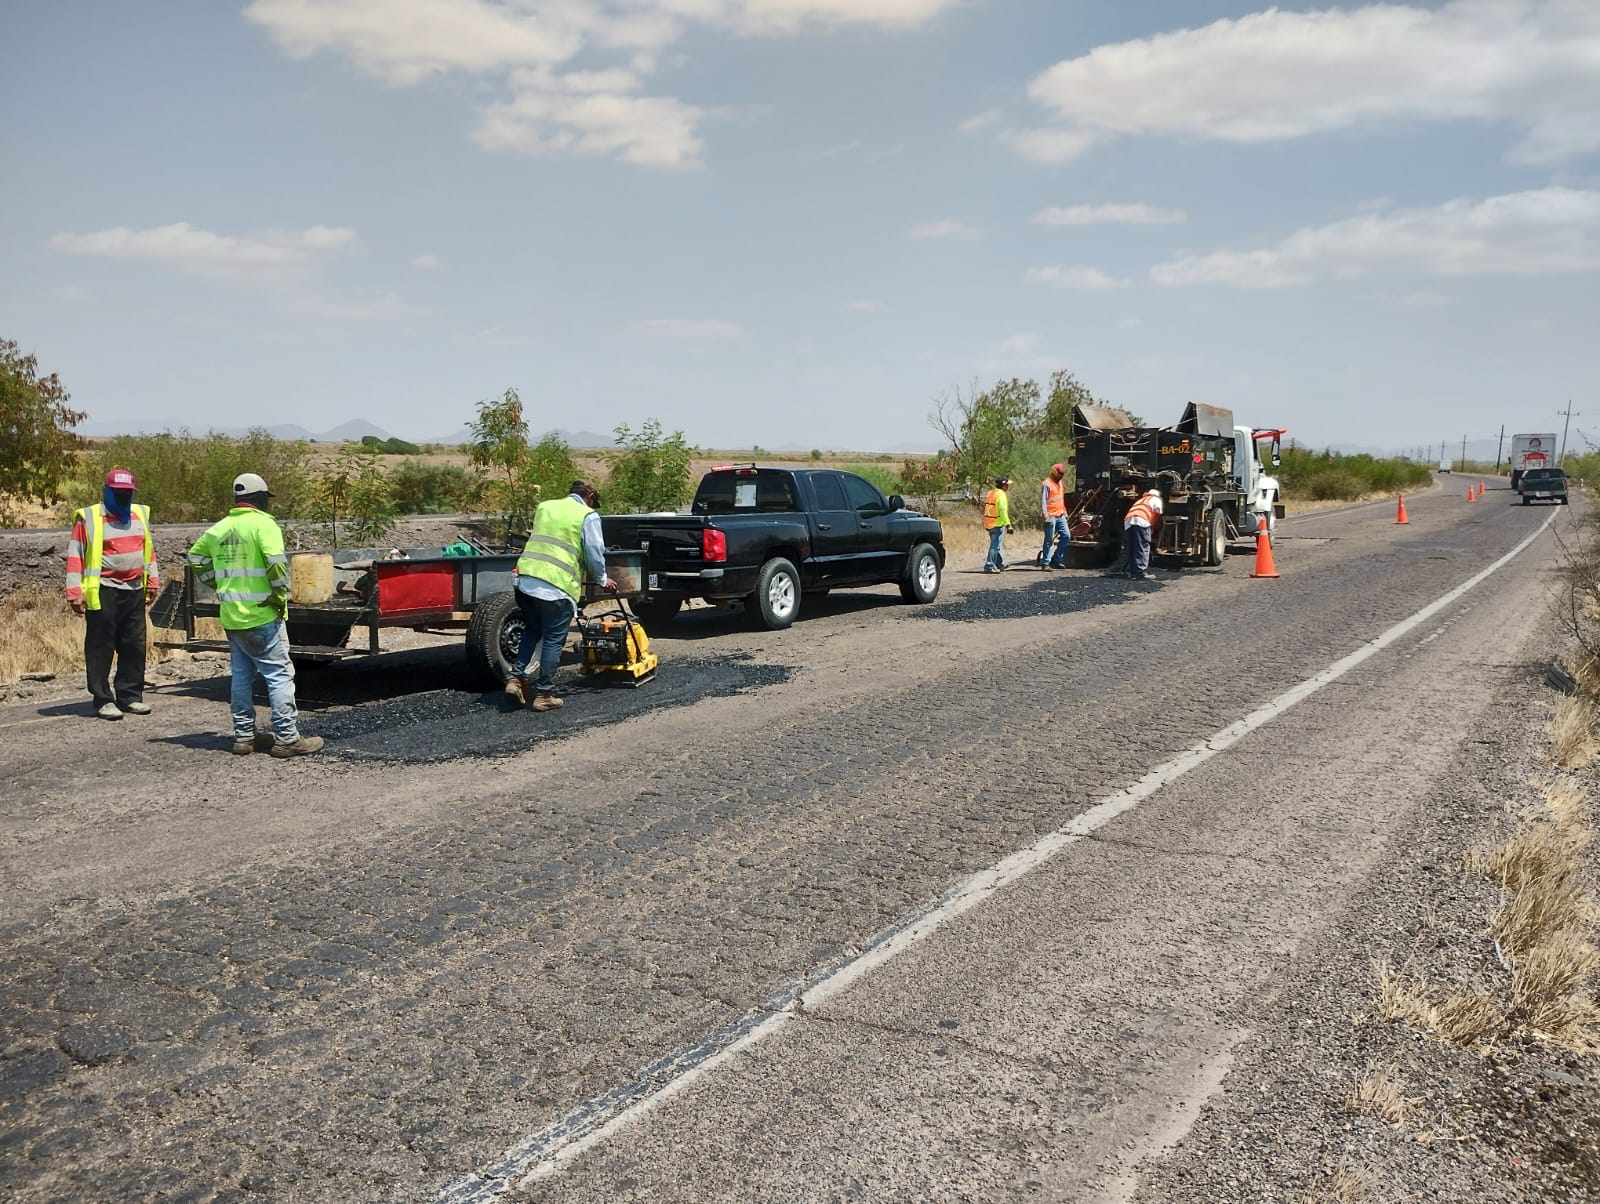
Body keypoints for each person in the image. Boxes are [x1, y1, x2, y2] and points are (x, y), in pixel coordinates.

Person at [187, 473, 322, 757]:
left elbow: (195, 558)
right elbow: (275, 564)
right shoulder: (264, 525)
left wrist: (216, 581)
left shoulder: (219, 529)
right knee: (279, 674)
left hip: (232, 616)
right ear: (260, 498)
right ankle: (287, 739)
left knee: (240, 676)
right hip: (262, 614)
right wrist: (277, 595)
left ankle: (244, 737)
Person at [505, 479, 615, 713]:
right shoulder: (587, 516)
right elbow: (594, 553)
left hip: (525, 579)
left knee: (533, 630)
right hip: (555, 586)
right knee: (554, 639)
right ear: (589, 497)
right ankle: (544, 694)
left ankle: (516, 679)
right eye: (593, 502)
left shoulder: (546, 506)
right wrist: (603, 580)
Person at [66, 468, 159, 720]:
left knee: (134, 644)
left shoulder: (139, 514)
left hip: (134, 590)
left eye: (127, 493)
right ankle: (103, 699)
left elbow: (147, 549)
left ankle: (130, 696)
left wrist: (153, 581)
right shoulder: (89, 518)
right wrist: (74, 592)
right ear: (107, 491)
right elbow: (76, 555)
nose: (123, 497)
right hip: (104, 590)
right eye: (118, 493)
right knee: (101, 645)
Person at [1121, 486, 1164, 580]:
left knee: (1132, 547)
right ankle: (1140, 572)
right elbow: (1157, 512)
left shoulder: (1141, 500)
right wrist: (1152, 526)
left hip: (1128, 522)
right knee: (1143, 546)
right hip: (1142, 521)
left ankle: (1133, 572)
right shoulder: (1156, 499)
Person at [1038, 463, 1070, 571]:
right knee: (1049, 540)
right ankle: (1045, 563)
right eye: (1060, 474)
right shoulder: (1047, 484)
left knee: (1066, 536)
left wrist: (1064, 511)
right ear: (1055, 473)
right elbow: (1043, 502)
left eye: (1062, 474)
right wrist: (1046, 516)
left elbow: (1061, 499)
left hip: (1060, 515)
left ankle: (1056, 559)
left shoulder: (1060, 483)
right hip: (1050, 516)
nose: (1062, 476)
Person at [982, 476, 1012, 573]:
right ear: (1003, 486)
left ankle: (1001, 564)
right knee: (995, 546)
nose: (1008, 486)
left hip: (988, 522)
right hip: (997, 523)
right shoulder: (1001, 495)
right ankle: (989, 565)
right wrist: (1008, 524)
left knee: (995, 544)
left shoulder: (991, 493)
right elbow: (1002, 511)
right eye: (1007, 485)